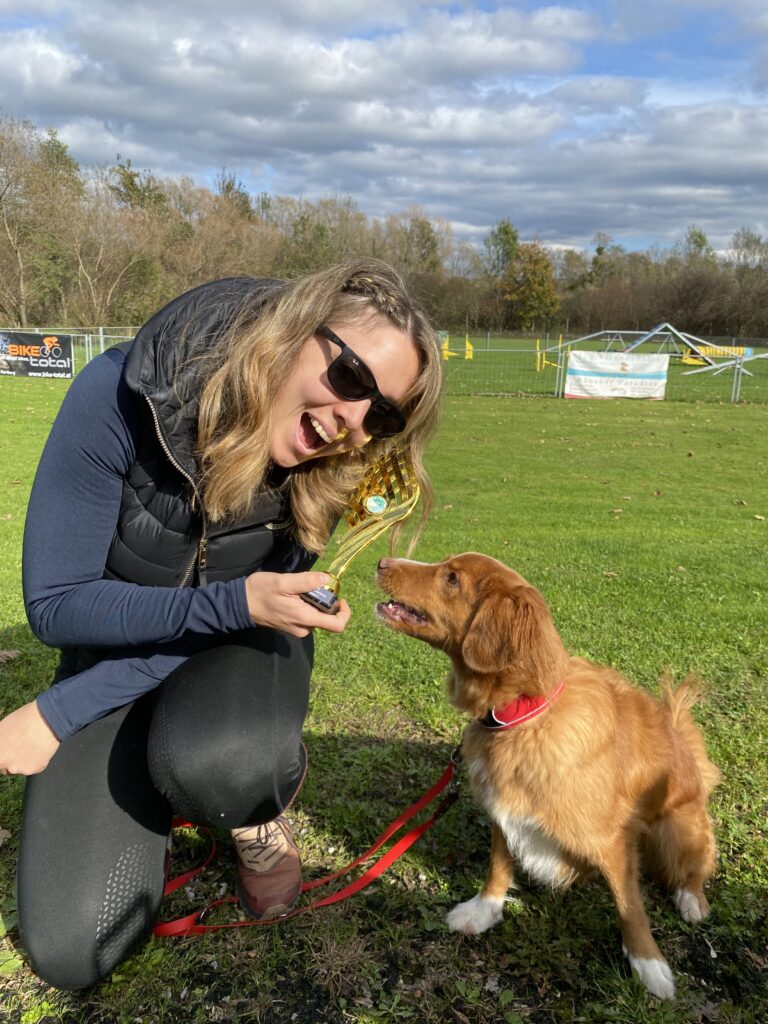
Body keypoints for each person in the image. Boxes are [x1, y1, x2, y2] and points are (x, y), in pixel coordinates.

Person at [0, 258, 443, 990]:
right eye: (351, 378)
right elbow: (56, 606)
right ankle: (155, 765)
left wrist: (57, 711)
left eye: (383, 415)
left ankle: (248, 812)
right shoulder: (117, 395)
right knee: (77, 947)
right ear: (295, 330)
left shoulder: (327, 471)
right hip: (113, 655)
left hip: (238, 653)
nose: (354, 426)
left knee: (228, 764)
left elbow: (259, 610)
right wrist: (76, 704)